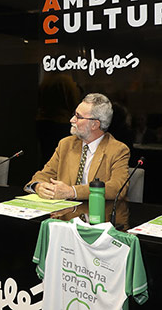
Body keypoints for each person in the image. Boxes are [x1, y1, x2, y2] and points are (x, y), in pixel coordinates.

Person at [25, 93, 130, 228]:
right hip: (65, 221)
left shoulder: (117, 150)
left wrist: (72, 191)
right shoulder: (66, 144)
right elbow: (42, 175)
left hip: (100, 224)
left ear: (94, 124)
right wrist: (38, 186)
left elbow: (117, 188)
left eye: (78, 117)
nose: (71, 120)